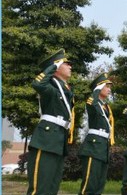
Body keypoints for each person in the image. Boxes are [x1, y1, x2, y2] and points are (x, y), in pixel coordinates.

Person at [27, 49, 75, 195]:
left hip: (59, 140)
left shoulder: (64, 90)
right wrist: (53, 66)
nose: (70, 66)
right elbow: (37, 84)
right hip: (46, 140)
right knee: (40, 188)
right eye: (66, 63)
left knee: (51, 188)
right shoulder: (50, 88)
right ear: (56, 66)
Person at [78, 73, 115, 195]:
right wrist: (96, 91)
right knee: (89, 185)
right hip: (93, 147)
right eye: (106, 86)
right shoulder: (92, 101)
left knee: (99, 185)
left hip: (103, 147)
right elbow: (92, 103)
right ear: (98, 88)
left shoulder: (106, 107)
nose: (109, 90)